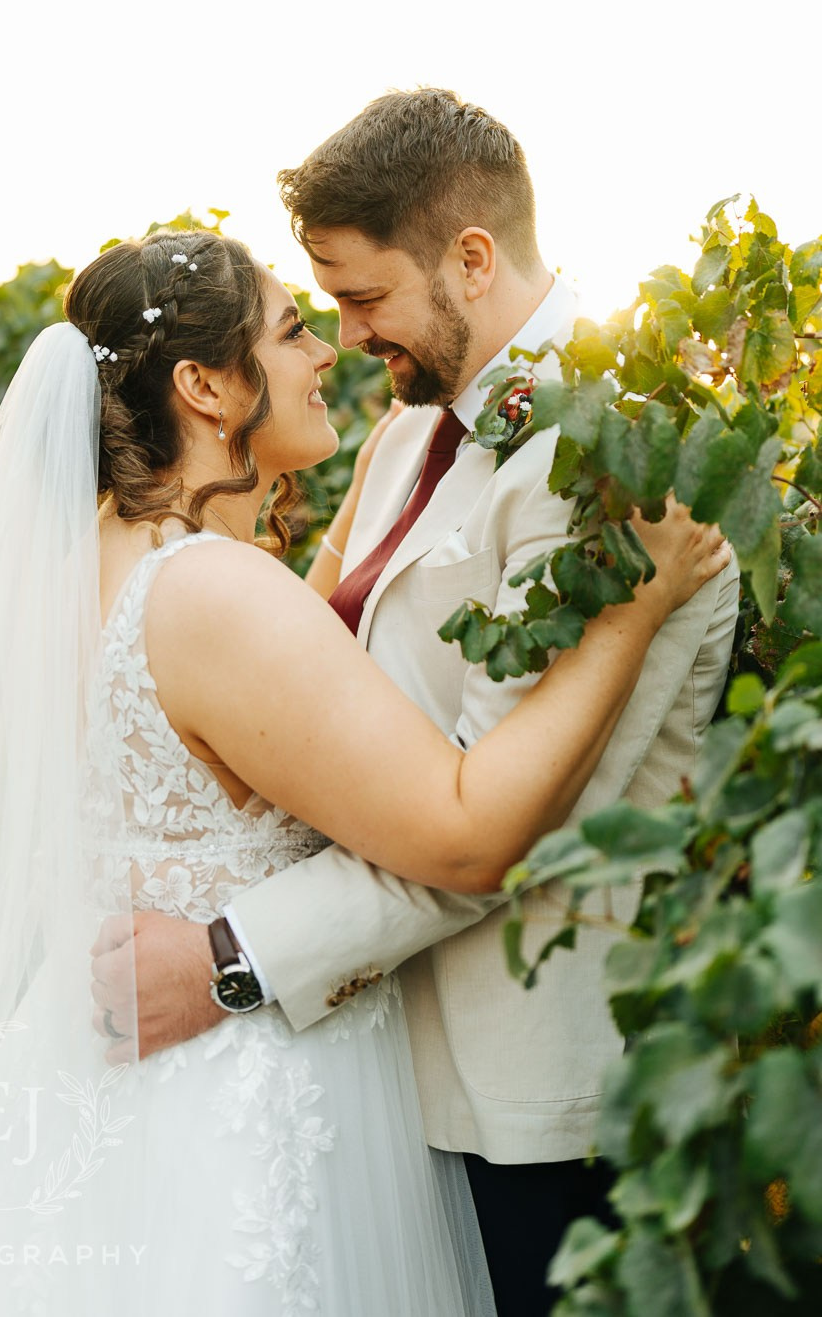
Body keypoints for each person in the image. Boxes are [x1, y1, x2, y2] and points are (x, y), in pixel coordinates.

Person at [0, 226, 727, 1317]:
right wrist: (629, 614)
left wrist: (391, 464)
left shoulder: (91, 565)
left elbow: (305, 616)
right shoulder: (214, 595)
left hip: (95, 1099)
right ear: (204, 385)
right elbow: (460, 834)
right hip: (238, 1109)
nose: (326, 353)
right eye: (294, 330)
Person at [91, 91, 742, 1317]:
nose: (343, 335)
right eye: (321, 308)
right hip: (384, 1066)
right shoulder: (405, 438)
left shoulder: (609, 462)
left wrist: (231, 962)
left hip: (534, 1096)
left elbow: (505, 825)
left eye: (361, 296)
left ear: (472, 259)